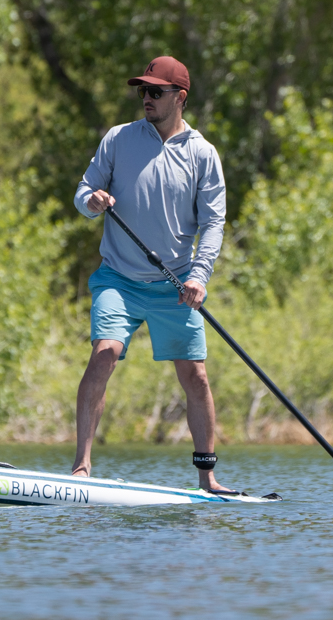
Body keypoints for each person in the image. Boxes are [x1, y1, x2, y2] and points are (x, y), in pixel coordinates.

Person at [71, 55, 234, 493]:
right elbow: (83, 192)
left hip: (176, 284)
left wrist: (199, 275)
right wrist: (92, 202)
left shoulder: (202, 153)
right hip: (118, 279)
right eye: (143, 90)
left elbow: (213, 222)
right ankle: (81, 468)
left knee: (195, 376)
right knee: (104, 353)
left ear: (179, 98)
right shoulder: (118, 140)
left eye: (155, 92)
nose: (146, 97)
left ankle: (208, 478)